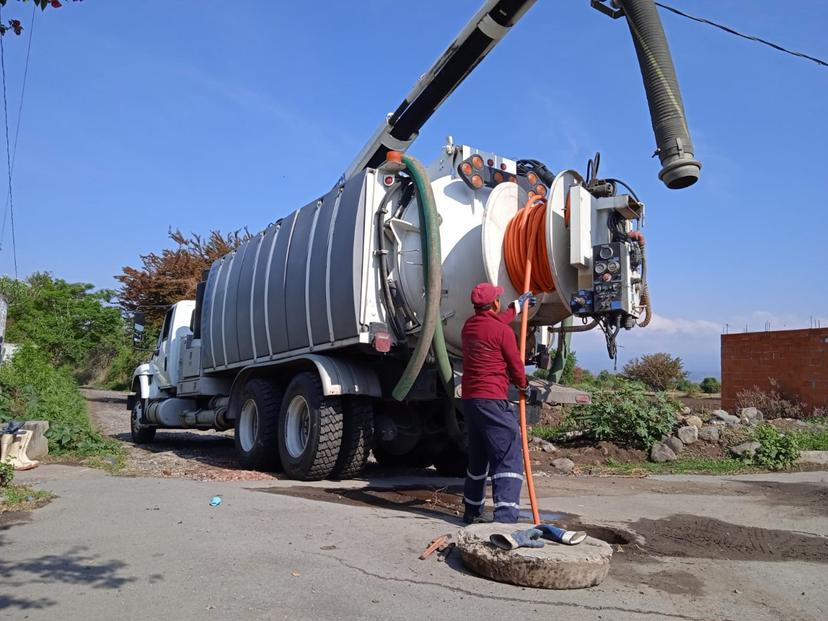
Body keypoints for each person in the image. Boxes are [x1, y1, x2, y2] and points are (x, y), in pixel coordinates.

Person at [461, 282, 535, 524]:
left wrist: (516, 307)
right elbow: (515, 365)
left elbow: (492, 324)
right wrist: (524, 385)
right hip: (492, 398)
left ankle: (472, 512)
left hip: (471, 400)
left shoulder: (469, 326)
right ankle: (505, 517)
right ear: (494, 303)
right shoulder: (503, 333)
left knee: (479, 455)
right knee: (509, 453)